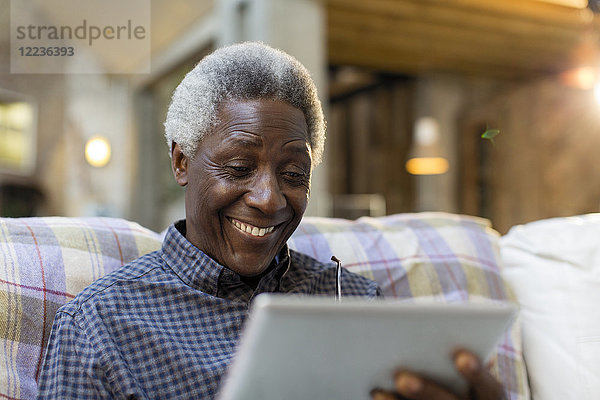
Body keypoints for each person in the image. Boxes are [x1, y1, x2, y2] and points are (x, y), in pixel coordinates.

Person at [37, 42, 504, 400]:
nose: (268, 199)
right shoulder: (96, 327)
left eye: (294, 174)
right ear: (181, 162)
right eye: (239, 169)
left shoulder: (355, 302)